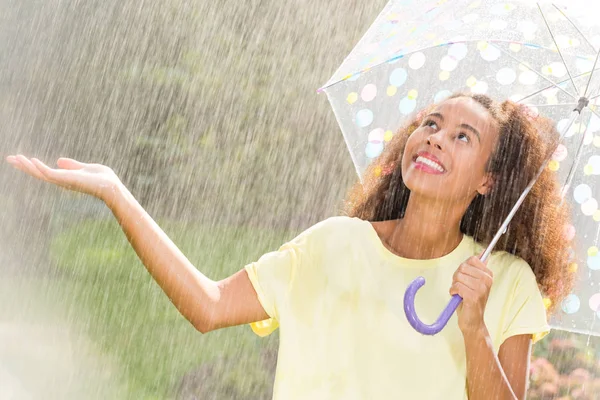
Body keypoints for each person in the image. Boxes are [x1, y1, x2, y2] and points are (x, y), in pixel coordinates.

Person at [5, 93, 572, 399]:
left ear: (487, 181)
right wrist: (117, 192)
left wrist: (474, 327)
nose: (434, 138)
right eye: (431, 122)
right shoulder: (333, 244)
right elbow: (208, 306)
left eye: (462, 137)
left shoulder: (503, 280)